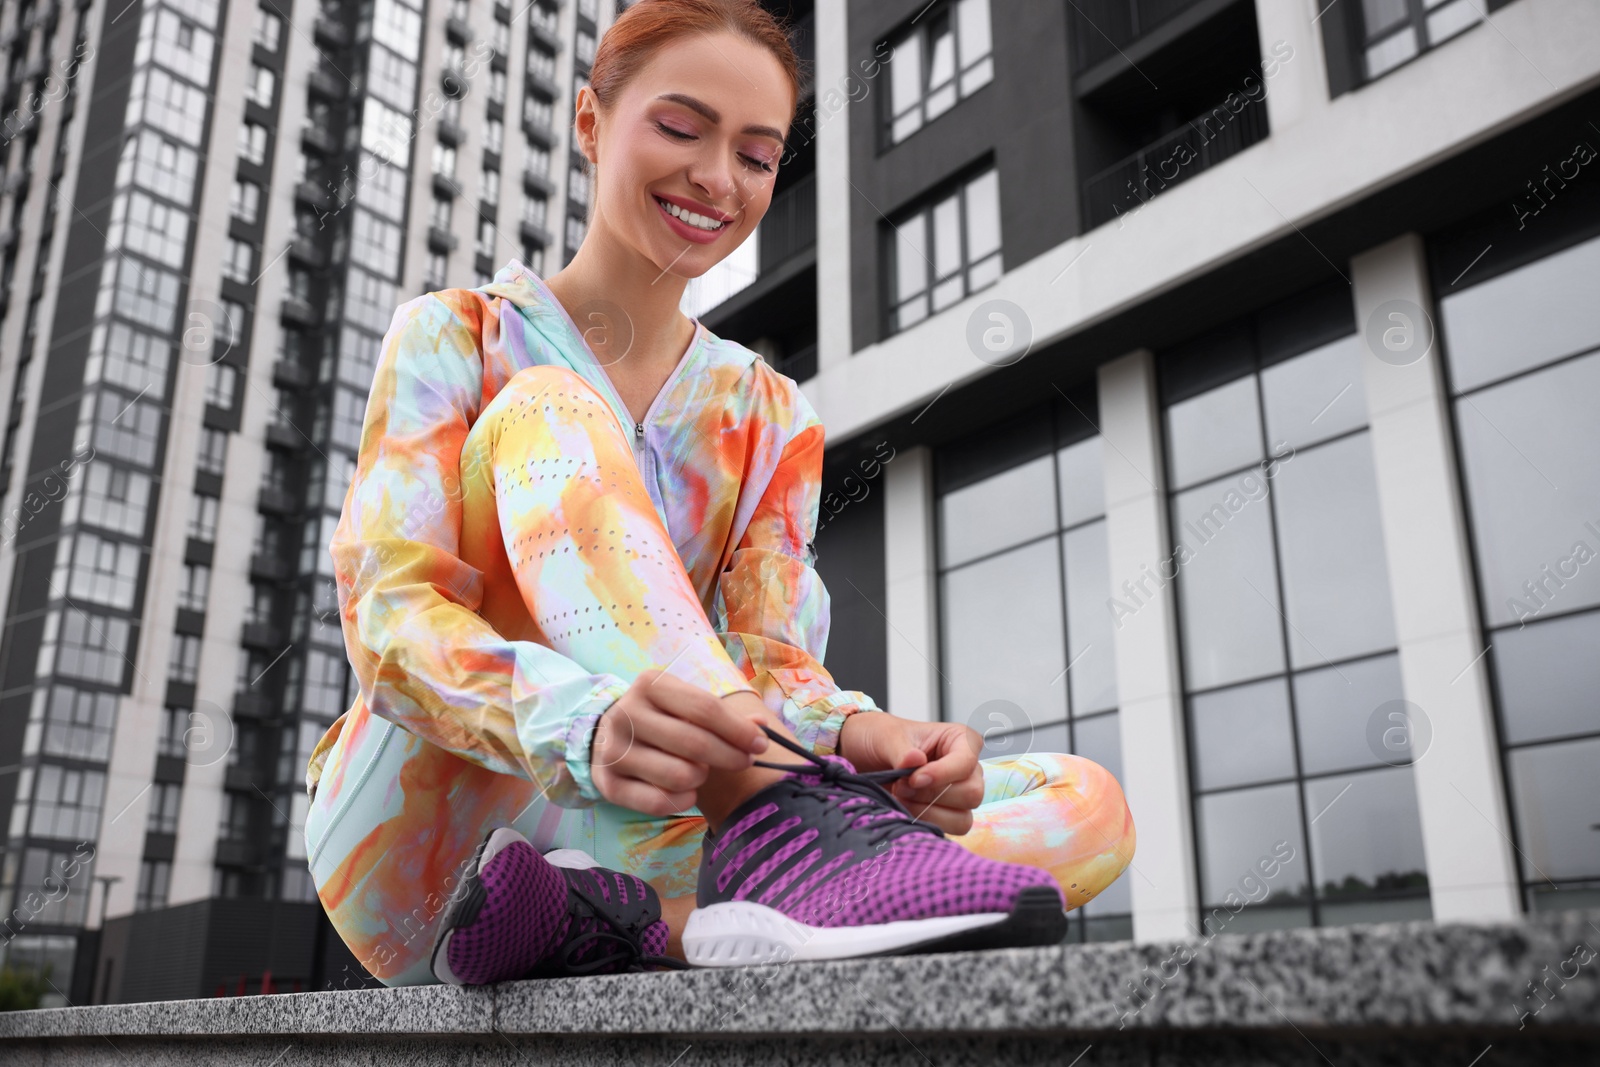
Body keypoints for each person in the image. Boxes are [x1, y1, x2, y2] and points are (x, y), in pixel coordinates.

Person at [302, 0, 1135, 987]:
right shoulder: (455, 336)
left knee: (1084, 801)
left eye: (755, 152)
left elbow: (774, 665)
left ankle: (635, 920)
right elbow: (391, 620)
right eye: (680, 127)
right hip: (425, 844)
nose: (714, 178)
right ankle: (776, 831)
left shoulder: (771, 412)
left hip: (658, 830)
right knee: (546, 409)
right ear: (589, 122)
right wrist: (584, 721)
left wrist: (879, 741)